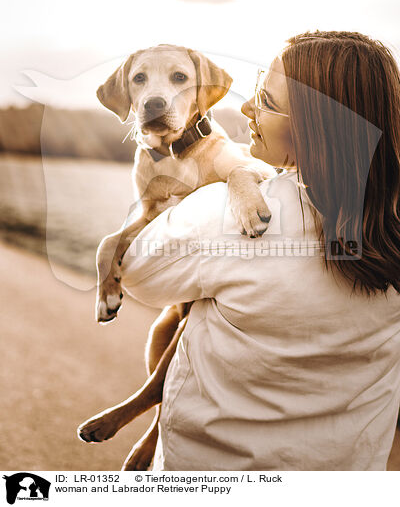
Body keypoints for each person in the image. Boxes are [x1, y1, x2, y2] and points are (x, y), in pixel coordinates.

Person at [121, 31, 400, 471]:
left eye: (266, 101)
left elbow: (135, 273)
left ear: (315, 125)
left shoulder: (230, 215)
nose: (247, 108)